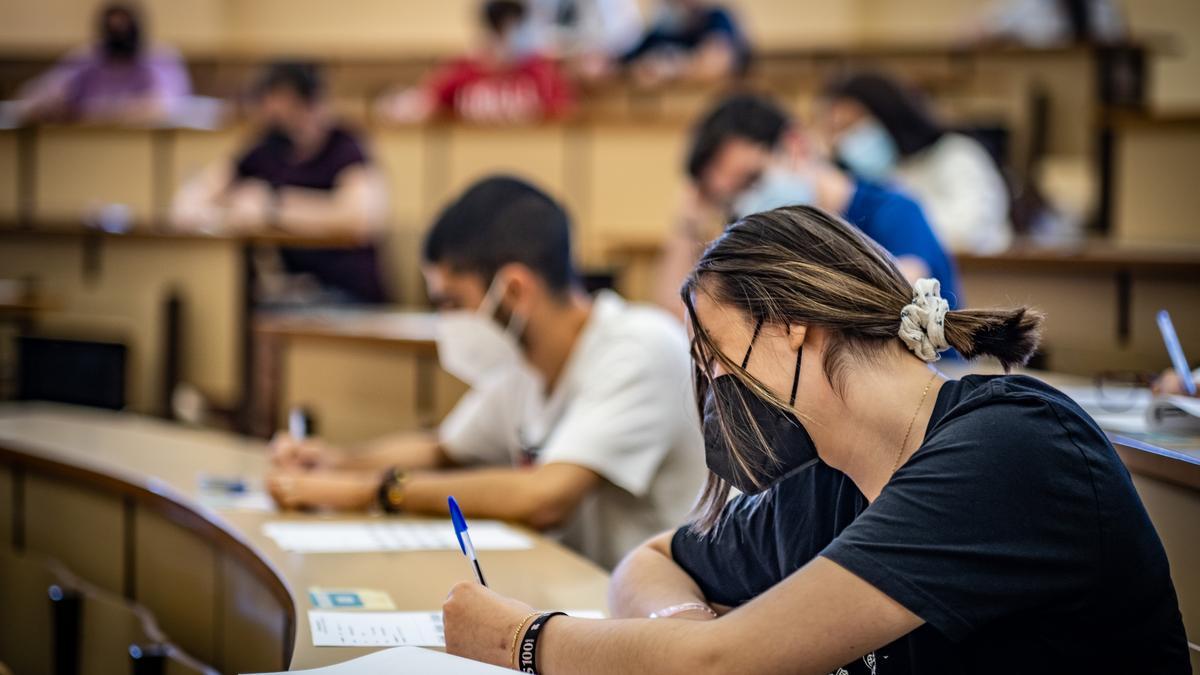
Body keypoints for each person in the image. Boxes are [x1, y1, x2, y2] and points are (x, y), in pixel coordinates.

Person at [441, 205, 1190, 674]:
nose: (716, 387)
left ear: (792, 324)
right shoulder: (825, 480)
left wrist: (520, 638)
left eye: (716, 355)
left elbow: (719, 664)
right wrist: (683, 622)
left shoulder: (1010, 448)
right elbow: (655, 558)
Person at [266, 176, 706, 568]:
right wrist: (333, 463)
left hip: (661, 613)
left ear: (514, 289)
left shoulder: (639, 347)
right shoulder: (523, 366)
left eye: (451, 303)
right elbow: (441, 449)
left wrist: (375, 492)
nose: (446, 322)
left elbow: (543, 498)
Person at [654, 93, 960, 319]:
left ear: (795, 145)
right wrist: (688, 220)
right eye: (731, 197)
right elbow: (681, 314)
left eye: (752, 180)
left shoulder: (895, 210)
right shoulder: (757, 237)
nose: (747, 204)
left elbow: (898, 294)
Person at [171, 62, 389, 304]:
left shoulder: (346, 146)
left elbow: (359, 219)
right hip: (293, 291)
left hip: (347, 291)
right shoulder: (266, 147)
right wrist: (227, 212)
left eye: (289, 112)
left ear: (313, 105)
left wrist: (272, 207)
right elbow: (189, 202)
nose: (280, 122)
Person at [822, 72, 1013, 255]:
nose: (844, 140)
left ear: (887, 114)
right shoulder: (870, 177)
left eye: (853, 126)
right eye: (837, 130)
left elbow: (970, 231)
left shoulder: (955, 154)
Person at [375, 0, 573, 124]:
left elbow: (568, 115)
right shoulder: (462, 71)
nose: (509, 42)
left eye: (516, 31)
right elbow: (424, 103)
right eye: (501, 32)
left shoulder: (540, 72)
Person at [13, 3, 191, 124]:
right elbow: (33, 98)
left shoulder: (159, 59)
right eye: (113, 27)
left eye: (125, 27)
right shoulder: (86, 59)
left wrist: (91, 113)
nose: (120, 33)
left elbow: (163, 107)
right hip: (85, 149)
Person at [619, 0, 749, 88]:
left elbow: (716, 64)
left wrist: (672, 70)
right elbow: (633, 66)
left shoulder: (717, 19)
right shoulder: (660, 29)